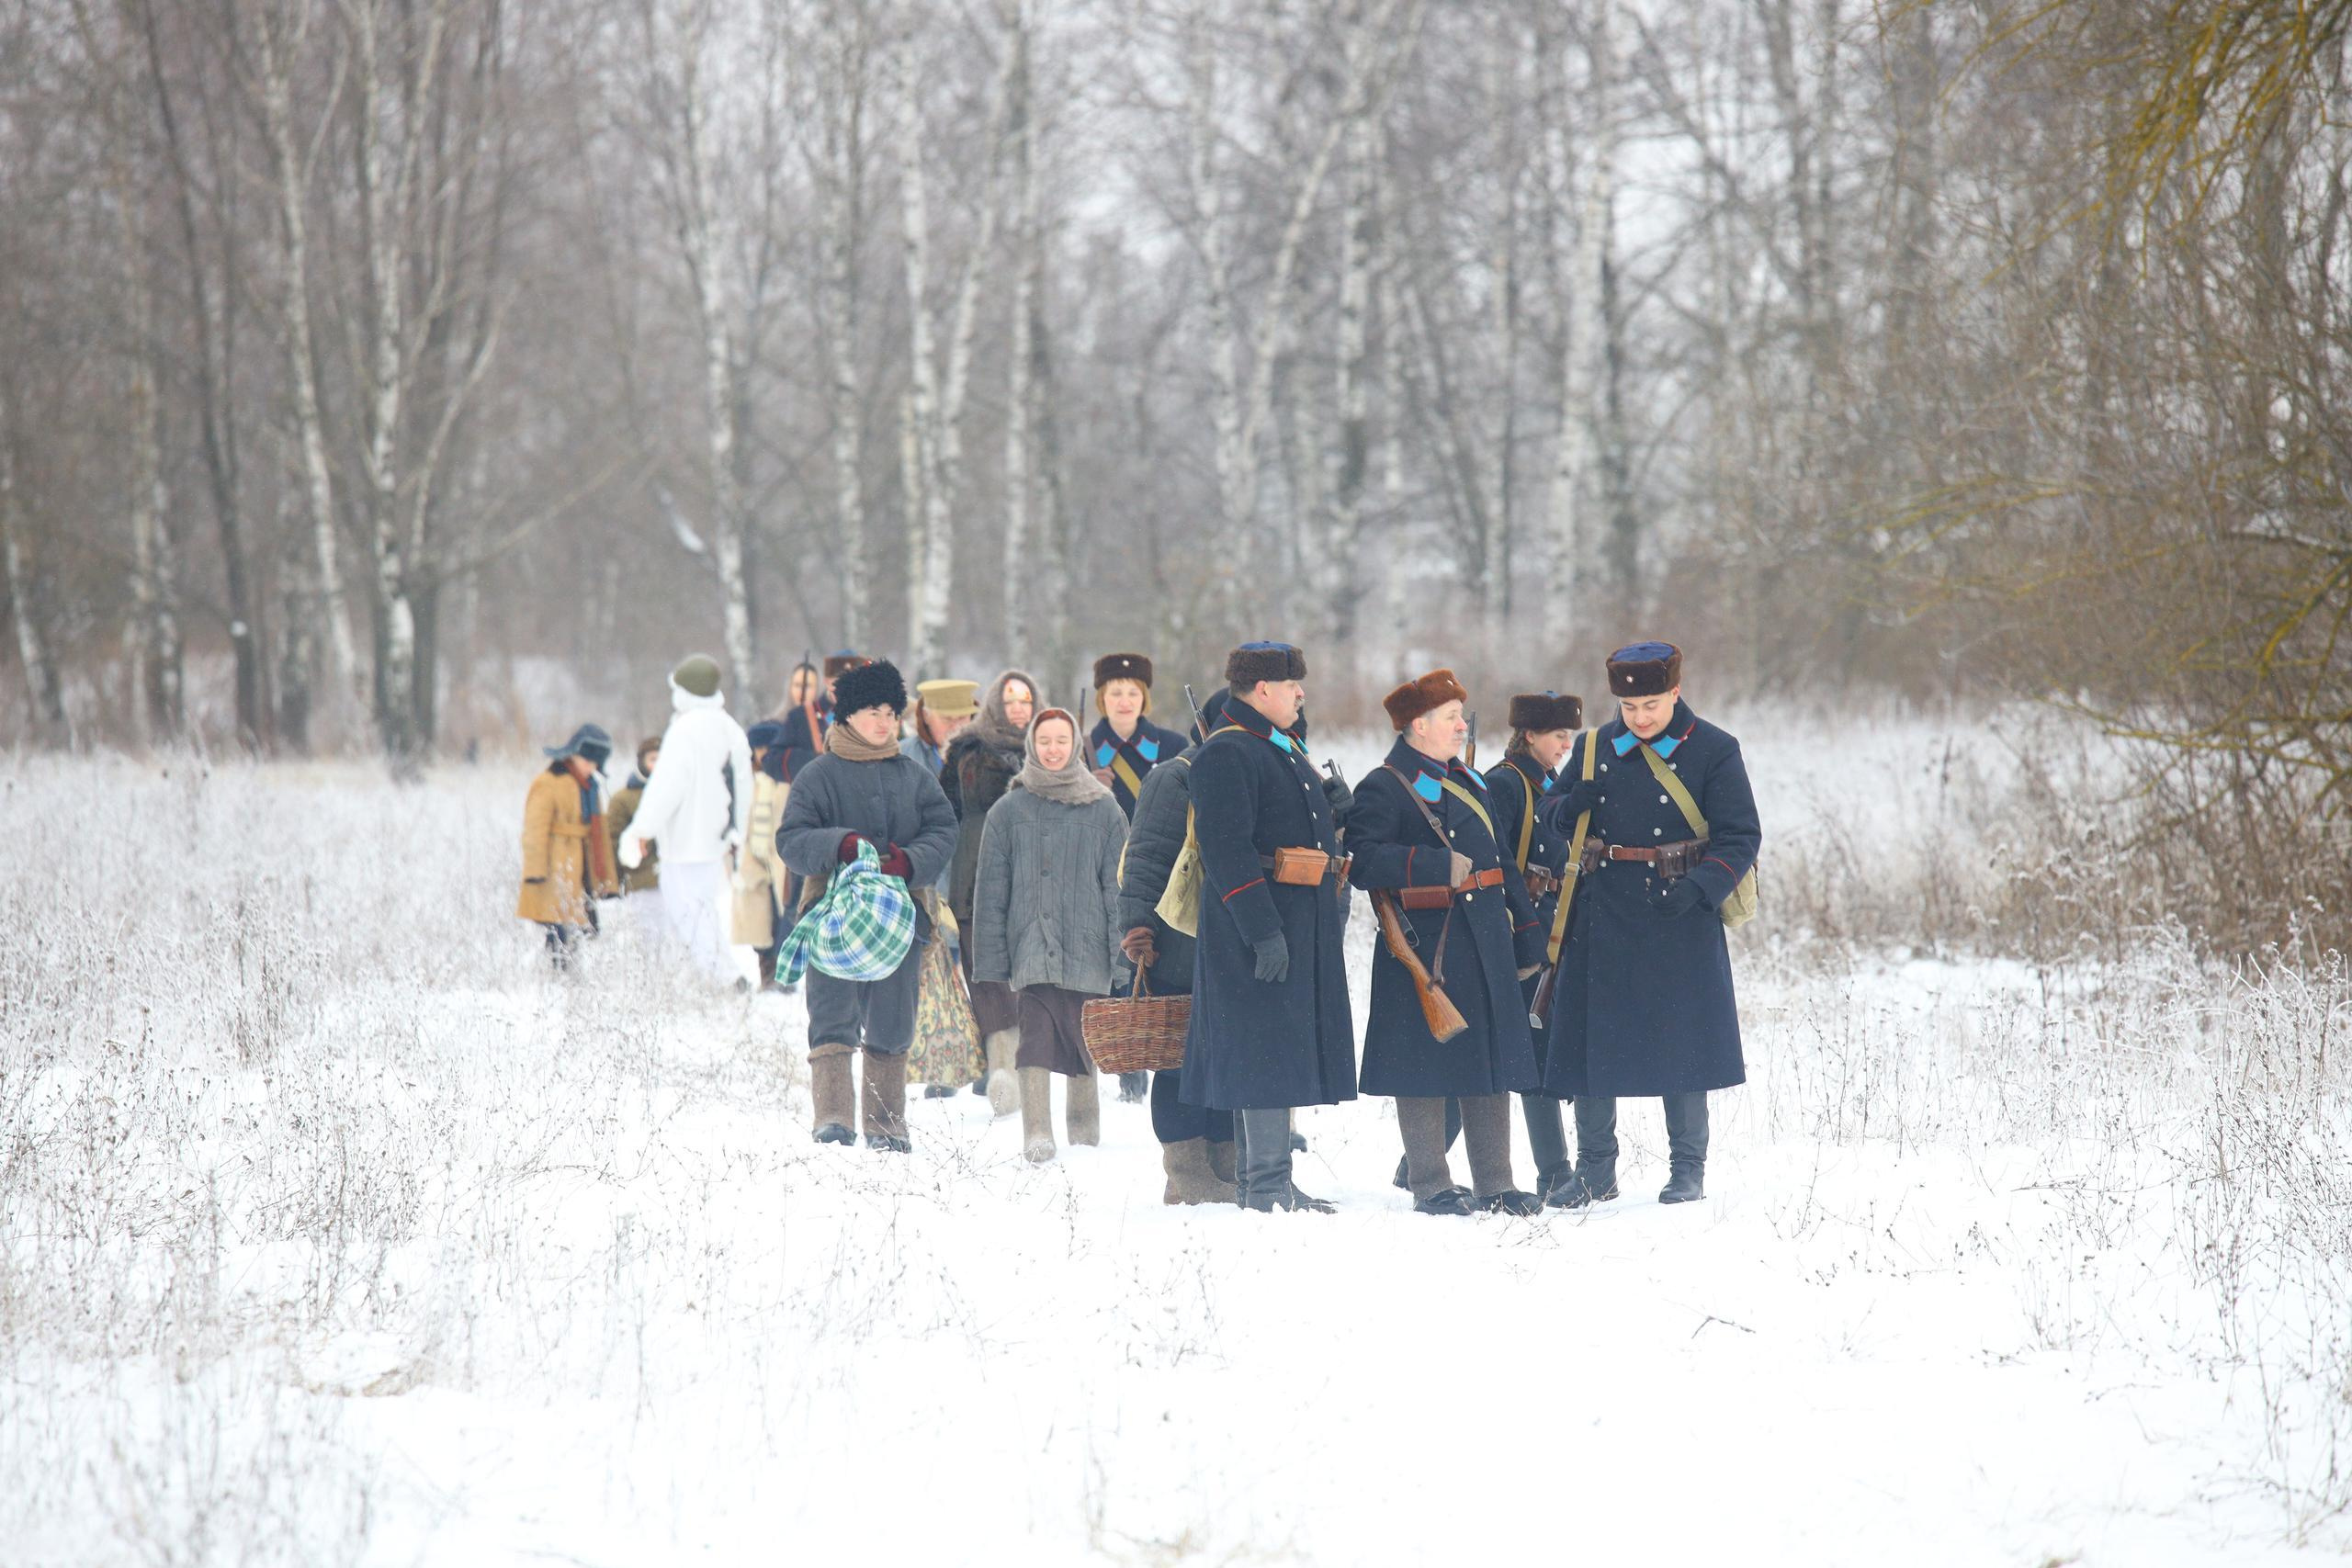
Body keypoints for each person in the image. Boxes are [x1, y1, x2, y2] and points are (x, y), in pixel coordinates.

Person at [1538, 641, 1759, 1205]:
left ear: (1676, 692)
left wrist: (1701, 887)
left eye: (1652, 705)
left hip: (1679, 911)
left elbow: (1740, 835)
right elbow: (1549, 815)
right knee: (1592, 1041)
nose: (1639, 718)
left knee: (1682, 1042)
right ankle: (1595, 1170)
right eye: (1629, 707)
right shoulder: (1592, 747)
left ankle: (1687, 1170)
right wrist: (1568, 806)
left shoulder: (1714, 748)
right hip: (1602, 909)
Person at [1347, 671, 1546, 1216]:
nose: (1463, 726)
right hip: (1424, 946)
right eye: (1451, 717)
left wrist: (1528, 937)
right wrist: (1432, 864)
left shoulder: (1471, 782)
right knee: (1421, 1064)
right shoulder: (1384, 785)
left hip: (1485, 938)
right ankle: (1430, 1183)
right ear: (1419, 725)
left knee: (1489, 1060)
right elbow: (1363, 861)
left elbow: (1503, 865)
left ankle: (1496, 1183)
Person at [1180, 642, 1355, 1213]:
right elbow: (1226, 850)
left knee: (1270, 1046)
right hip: (1254, 923)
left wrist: (1333, 810)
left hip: (1290, 918)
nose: (1301, 693)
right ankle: (1267, 1185)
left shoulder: (1276, 743)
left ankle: (1262, 1182)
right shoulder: (1227, 751)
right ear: (1262, 691)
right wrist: (1261, 930)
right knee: (1262, 1051)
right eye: (1291, 684)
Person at [774, 660, 959, 1150]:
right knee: (831, 1015)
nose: (884, 722)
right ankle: (833, 1118)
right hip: (831, 916)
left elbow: (944, 830)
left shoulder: (915, 776)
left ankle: (886, 1125)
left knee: (893, 1020)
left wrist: (909, 861)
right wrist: (838, 844)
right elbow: (791, 840)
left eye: (892, 713)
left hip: (903, 918)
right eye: (873, 711)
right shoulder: (818, 776)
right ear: (849, 715)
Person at [972, 708, 1128, 1164]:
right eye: (1045, 741)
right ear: (1032, 745)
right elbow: (991, 891)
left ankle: (1084, 1128)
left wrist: (1122, 957)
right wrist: (991, 960)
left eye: (1062, 740)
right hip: (1031, 944)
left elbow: (1118, 889)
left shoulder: (1104, 809)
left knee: (1083, 1041)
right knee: (1035, 1038)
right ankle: (1037, 1131)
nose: (1053, 749)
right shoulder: (1008, 811)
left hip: (1087, 946)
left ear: (1075, 745)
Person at [1485, 691, 1585, 1203]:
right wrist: (1521, 929)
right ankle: (1554, 1171)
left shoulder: (1549, 785)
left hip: (1551, 927)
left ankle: (1415, 1165)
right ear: (1529, 736)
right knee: (1528, 1051)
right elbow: (1494, 863)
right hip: (1518, 931)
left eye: (1569, 735)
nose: (1566, 744)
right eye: (1558, 736)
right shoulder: (1505, 783)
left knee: (1528, 1049)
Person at [1085, 652, 1190, 1103]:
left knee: (1145, 952)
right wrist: (1088, 786)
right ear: (1101, 698)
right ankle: (1124, 1051)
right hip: (1102, 864)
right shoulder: (1083, 749)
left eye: (1132, 692)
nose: (1124, 701)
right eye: (1115, 693)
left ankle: (1151, 1042)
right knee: (1110, 956)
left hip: (1155, 868)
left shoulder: (1171, 747)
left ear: (1144, 697)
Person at [618, 653, 752, 987]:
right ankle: (715, 976)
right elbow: (744, 784)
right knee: (701, 910)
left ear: (685, 691)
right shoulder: (731, 729)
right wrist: (738, 829)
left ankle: (725, 979)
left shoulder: (683, 731)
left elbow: (665, 789)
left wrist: (641, 830)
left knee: (688, 912)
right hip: (717, 837)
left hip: (683, 840)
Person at [943, 669, 1039, 1113]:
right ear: (995, 705)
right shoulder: (969, 749)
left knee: (1028, 983)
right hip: (975, 882)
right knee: (988, 981)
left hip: (1033, 882)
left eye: (1026, 700)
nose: (1018, 708)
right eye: (1010, 700)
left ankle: (1030, 1075)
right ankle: (1002, 1072)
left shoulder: (1053, 746)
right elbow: (955, 809)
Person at [518, 724, 620, 972]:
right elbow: (535, 829)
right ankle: (556, 974)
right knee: (557, 924)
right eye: (586, 760)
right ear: (573, 754)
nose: (590, 767)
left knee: (575, 925)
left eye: (595, 763)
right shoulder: (548, 782)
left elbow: (599, 835)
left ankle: (565, 974)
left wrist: (606, 880)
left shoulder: (590, 787)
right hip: (555, 866)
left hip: (581, 868)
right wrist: (535, 870)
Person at [735, 719, 794, 991]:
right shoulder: (748, 781)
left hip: (781, 862)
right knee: (760, 924)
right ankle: (767, 976)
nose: (763, 754)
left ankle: (785, 978)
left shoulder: (787, 781)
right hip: (755, 862)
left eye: (767, 748)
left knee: (785, 921)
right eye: (758, 749)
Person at [777, 651, 867, 782]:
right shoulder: (800, 717)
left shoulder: (876, 716)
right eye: (840, 679)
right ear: (827, 681)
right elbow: (774, 759)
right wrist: (815, 762)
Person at [605, 736, 665, 931]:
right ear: (641, 762)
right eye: (653, 759)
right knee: (649, 936)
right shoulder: (623, 799)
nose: (658, 765)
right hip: (641, 882)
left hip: (673, 880)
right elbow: (612, 842)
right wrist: (615, 881)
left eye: (662, 759)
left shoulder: (674, 795)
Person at [903, 677, 977, 777]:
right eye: (947, 719)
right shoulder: (902, 756)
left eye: (962, 718)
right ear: (926, 716)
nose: (956, 727)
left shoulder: (988, 756)